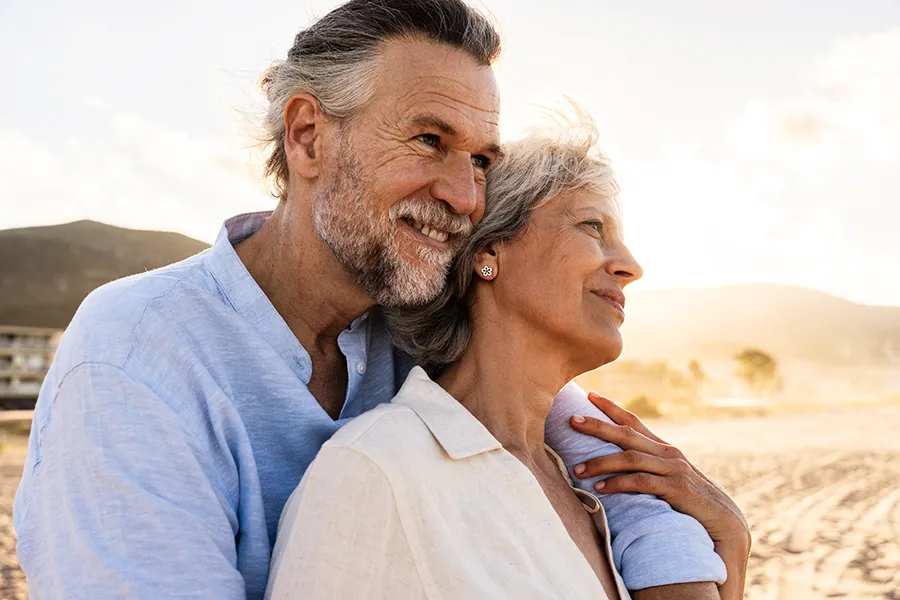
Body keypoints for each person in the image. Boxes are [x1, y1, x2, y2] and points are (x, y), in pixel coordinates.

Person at [14, 1, 741, 598]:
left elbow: (613, 471)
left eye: (482, 161)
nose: (463, 196)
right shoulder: (135, 358)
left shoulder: (421, 325)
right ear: (306, 138)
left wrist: (714, 544)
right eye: (429, 140)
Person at [264, 117, 751, 600]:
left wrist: (732, 542)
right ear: (488, 250)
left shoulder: (587, 486)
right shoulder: (375, 472)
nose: (630, 267)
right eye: (591, 227)